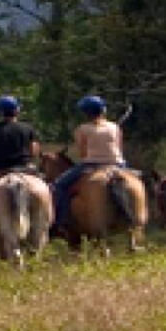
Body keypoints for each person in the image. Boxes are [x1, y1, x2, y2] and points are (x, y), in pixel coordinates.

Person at [49, 95, 125, 232]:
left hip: (92, 164)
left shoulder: (82, 129)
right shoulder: (115, 127)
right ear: (103, 110)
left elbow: (83, 154)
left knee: (59, 185)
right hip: (117, 164)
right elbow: (119, 148)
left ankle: (60, 221)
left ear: (85, 113)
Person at [0, 95, 40, 199]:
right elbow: (34, 151)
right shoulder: (28, 128)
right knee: (48, 187)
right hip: (25, 168)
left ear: (0, 112)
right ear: (17, 110)